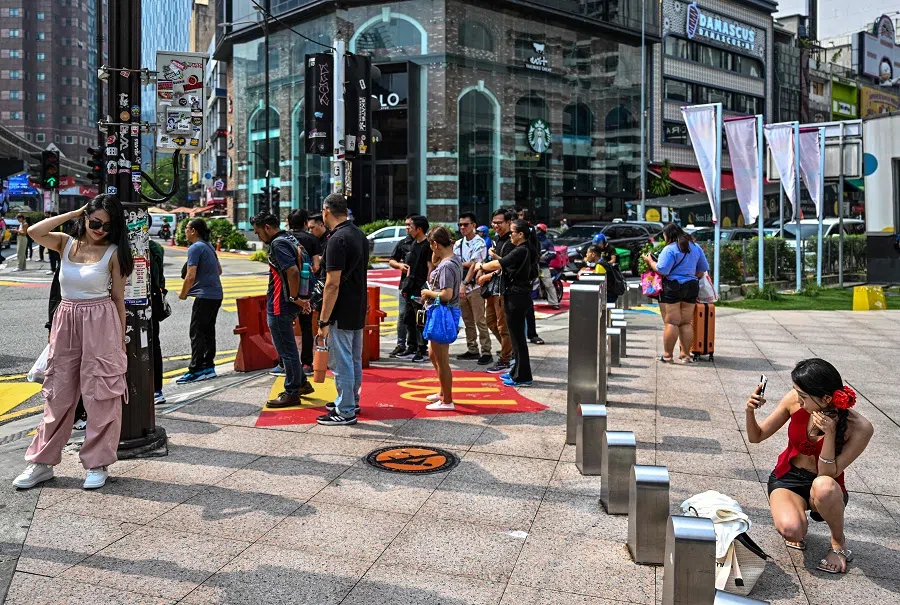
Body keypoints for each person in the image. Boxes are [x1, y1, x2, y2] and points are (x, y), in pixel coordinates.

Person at [13, 195, 133, 490]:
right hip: (66, 319)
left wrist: (119, 343)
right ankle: (41, 463)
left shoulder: (115, 252)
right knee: (58, 393)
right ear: (85, 216)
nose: (100, 229)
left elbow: (119, 300)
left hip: (101, 320)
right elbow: (34, 232)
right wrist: (73, 213)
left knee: (101, 394)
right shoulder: (66, 243)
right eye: (95, 222)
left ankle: (97, 463)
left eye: (108, 225)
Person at [746, 359, 874, 575]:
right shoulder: (794, 401)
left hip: (827, 488)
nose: (798, 399)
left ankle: (838, 542)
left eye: (803, 396)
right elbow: (756, 437)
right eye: (797, 392)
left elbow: (828, 474)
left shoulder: (860, 428)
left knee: (823, 485)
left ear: (826, 398)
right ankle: (799, 521)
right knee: (791, 530)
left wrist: (831, 433)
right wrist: (749, 411)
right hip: (788, 477)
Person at [251, 212, 316, 407]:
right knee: (289, 347)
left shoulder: (278, 244)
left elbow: (293, 271)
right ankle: (302, 383)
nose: (258, 237)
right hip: (289, 302)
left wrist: (295, 297)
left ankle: (292, 391)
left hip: (280, 304)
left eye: (258, 232)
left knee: (285, 350)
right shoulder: (290, 238)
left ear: (267, 228)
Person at [316, 193, 368, 426]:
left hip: (340, 307)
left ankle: (346, 410)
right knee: (354, 357)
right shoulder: (359, 234)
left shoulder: (337, 239)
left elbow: (332, 283)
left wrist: (323, 320)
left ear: (326, 211)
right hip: (357, 305)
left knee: (342, 360)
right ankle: (351, 399)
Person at [477, 219, 535, 387]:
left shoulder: (521, 250)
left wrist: (482, 265)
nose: (510, 235)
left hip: (517, 297)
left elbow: (499, 264)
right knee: (516, 340)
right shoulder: (524, 249)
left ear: (521, 234)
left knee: (518, 340)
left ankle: (523, 377)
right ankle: (516, 372)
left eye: (512, 232)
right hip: (518, 295)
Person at [642, 223, 709, 363]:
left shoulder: (670, 249)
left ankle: (667, 356)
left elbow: (662, 270)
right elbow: (702, 270)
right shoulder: (696, 247)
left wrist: (649, 261)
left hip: (673, 286)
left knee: (672, 322)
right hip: (691, 286)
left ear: (668, 235)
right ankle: (686, 355)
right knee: (685, 322)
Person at [420, 226, 464, 411]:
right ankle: (443, 392)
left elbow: (446, 294)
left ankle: (447, 400)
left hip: (443, 312)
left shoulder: (446, 266)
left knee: (442, 359)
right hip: (444, 312)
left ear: (435, 244)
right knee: (433, 353)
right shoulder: (452, 260)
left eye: (431, 246)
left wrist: (427, 292)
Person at [177, 219, 224, 383]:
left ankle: (196, 369)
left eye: (187, 228)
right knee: (208, 332)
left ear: (194, 231)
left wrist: (183, 294)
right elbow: (219, 270)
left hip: (204, 297)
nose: (185, 231)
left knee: (196, 333)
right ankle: (208, 366)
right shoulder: (209, 246)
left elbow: (190, 276)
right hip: (216, 295)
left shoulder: (195, 248)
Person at [286, 208, 322, 372]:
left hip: (286, 290)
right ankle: (307, 363)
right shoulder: (312, 239)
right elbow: (316, 266)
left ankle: (285, 363)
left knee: (285, 326)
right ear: (305, 223)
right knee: (306, 326)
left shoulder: (282, 239)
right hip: (305, 289)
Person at [454, 212, 492, 365]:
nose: (462, 227)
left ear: (474, 225)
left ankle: (486, 351)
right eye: (460, 225)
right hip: (461, 288)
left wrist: (464, 280)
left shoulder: (480, 242)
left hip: (475, 287)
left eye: (466, 224)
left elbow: (475, 264)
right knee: (467, 321)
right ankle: (472, 349)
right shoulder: (458, 244)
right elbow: (456, 263)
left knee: (480, 320)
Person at [480, 209, 515, 374]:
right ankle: (510, 351)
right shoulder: (497, 239)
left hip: (503, 288)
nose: (496, 225)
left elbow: (506, 265)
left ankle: (506, 359)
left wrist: (487, 273)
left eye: (499, 223)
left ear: (508, 222)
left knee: (502, 326)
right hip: (493, 288)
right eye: (494, 222)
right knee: (490, 322)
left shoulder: (511, 241)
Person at [398, 214, 431, 363]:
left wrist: (428, 289)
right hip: (410, 288)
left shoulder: (427, 246)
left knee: (421, 320)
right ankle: (411, 347)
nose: (408, 229)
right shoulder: (413, 245)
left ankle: (422, 349)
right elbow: (410, 266)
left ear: (419, 229)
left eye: (410, 226)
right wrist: (405, 285)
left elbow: (430, 268)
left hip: (421, 289)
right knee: (409, 318)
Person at [146, 215, 167, 405]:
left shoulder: (149, 248)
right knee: (153, 344)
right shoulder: (157, 247)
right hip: (153, 301)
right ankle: (157, 390)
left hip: (146, 302)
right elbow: (161, 280)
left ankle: (155, 390)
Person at [387, 215, 415, 358]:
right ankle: (401, 344)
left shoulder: (426, 243)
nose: (407, 228)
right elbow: (392, 261)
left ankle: (417, 346)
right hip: (405, 284)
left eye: (410, 225)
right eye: (406, 225)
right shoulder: (403, 243)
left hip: (421, 285)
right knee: (403, 314)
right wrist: (399, 265)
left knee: (419, 316)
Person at [534, 223, 560, 310]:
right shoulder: (532, 241)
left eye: (538, 229)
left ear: (542, 231)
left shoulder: (547, 242)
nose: (536, 231)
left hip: (543, 267)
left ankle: (554, 303)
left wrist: (544, 258)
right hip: (533, 266)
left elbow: (553, 253)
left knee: (548, 284)